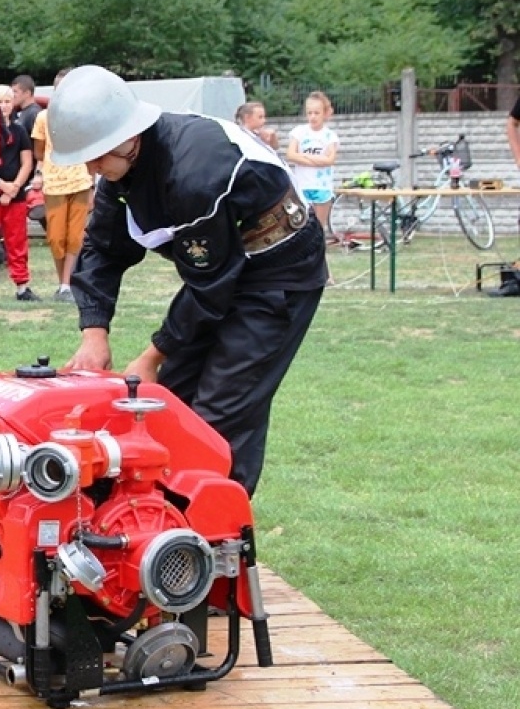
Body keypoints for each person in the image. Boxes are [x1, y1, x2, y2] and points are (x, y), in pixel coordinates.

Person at [51, 65, 326, 497]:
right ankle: (158, 526)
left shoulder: (195, 168)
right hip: (221, 269)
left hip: (279, 272)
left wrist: (151, 357)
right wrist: (94, 332)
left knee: (223, 408)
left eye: (97, 156)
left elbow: (209, 286)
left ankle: (216, 540)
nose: (92, 169)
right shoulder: (120, 172)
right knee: (168, 402)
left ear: (129, 136)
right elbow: (102, 251)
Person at [29, 67, 92, 302]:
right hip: (54, 182)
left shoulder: (85, 115)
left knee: (76, 236)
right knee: (56, 237)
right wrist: (40, 173)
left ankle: (67, 284)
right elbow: (38, 150)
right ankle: (63, 282)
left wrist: (93, 185)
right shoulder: (43, 117)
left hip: (81, 181)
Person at [0, 83, 37, 301]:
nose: (4, 106)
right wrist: (2, 186)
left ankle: (22, 285)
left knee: (17, 240)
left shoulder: (19, 129)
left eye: (7, 101)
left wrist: (14, 188)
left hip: (16, 196)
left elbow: (27, 162)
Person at [285, 91, 340, 242]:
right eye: (310, 113)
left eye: (317, 113)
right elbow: (291, 154)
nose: (313, 117)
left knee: (318, 228)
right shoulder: (299, 132)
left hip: (322, 186)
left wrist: (303, 157)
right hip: (302, 185)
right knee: (300, 226)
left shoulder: (330, 136)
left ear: (325, 113)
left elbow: (329, 159)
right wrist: (315, 159)